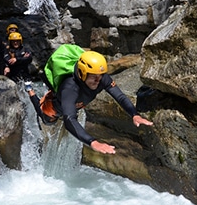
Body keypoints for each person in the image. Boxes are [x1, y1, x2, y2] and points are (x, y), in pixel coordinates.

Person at [25, 50, 153, 154]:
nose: (98, 82)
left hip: (75, 105)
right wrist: (93, 142)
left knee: (72, 111)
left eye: (100, 77)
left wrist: (134, 114)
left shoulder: (100, 77)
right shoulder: (70, 88)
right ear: (81, 73)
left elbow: (120, 97)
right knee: (45, 118)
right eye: (93, 77)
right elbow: (69, 119)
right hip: (54, 107)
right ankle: (31, 91)